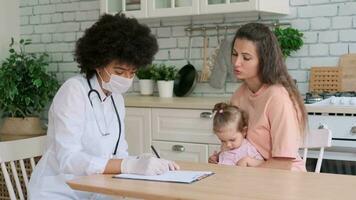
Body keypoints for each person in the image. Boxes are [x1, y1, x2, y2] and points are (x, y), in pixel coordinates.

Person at [28, 13, 179, 200]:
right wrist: (128, 165)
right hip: (59, 191)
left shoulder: (116, 99)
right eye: (119, 71)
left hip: (96, 190)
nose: (126, 79)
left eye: (132, 73)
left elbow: (119, 152)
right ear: (98, 64)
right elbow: (69, 159)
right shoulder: (74, 91)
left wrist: (140, 161)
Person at [229, 23, 307, 171]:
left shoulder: (278, 97)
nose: (236, 63)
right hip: (252, 175)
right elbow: (237, 142)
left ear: (264, 60)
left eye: (246, 57)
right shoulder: (238, 96)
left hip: (285, 179)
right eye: (234, 54)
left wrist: (250, 164)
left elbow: (284, 163)